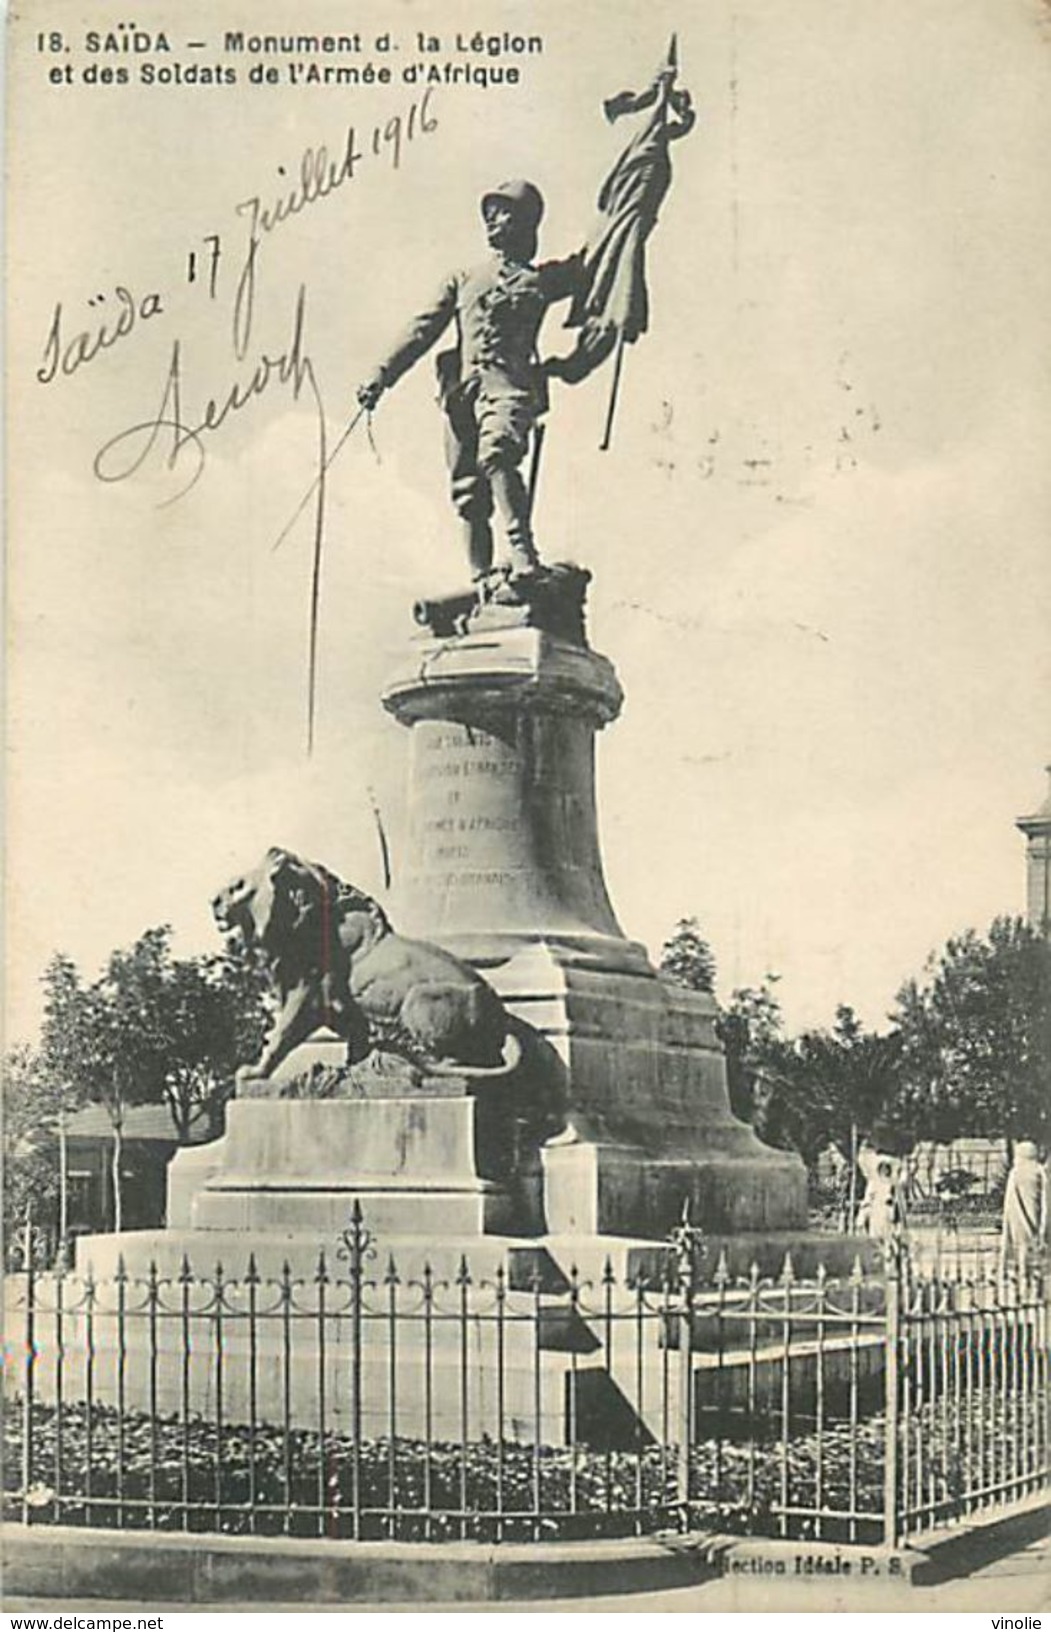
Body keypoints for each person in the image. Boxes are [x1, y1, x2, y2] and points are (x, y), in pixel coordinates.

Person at [356, 181, 581, 598]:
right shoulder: (464, 279)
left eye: (503, 211)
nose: (492, 220)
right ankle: (481, 579)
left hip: (510, 387)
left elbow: (602, 255)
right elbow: (422, 330)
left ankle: (522, 555)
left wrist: (638, 195)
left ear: (527, 221)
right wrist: (381, 374)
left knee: (498, 452)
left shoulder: (544, 280)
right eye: (489, 213)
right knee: (469, 493)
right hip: (462, 397)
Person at [1000, 1140, 1048, 1273]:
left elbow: (1008, 1202)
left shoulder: (1015, 1173)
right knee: (1034, 1248)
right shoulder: (1039, 1171)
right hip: (1035, 1217)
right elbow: (1045, 1200)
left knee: (1021, 1248)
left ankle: (1021, 1273)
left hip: (1017, 1220)